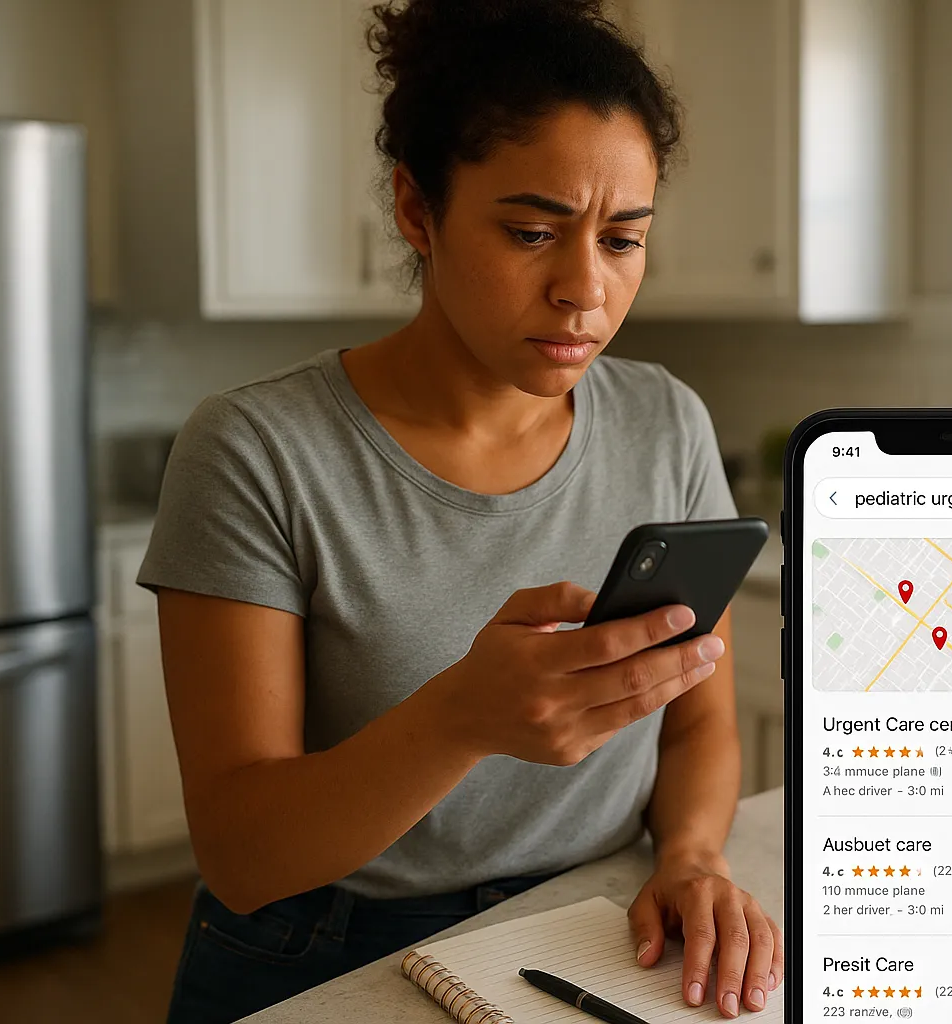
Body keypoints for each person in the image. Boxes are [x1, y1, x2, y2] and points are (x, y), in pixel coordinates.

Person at [138, 1, 782, 1020]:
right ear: (415, 209)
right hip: (327, 950)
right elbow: (242, 851)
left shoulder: (666, 419)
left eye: (623, 238)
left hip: (597, 922)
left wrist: (694, 856)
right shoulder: (255, 451)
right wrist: (459, 718)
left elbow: (697, 719)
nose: (585, 288)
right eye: (532, 231)